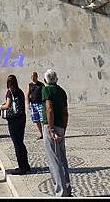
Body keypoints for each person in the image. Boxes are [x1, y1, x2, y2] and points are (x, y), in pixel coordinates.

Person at [41, 69, 71, 197]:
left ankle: (61, 192)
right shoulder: (62, 91)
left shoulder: (46, 90)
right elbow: (65, 112)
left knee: (54, 160)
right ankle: (67, 189)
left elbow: (49, 109)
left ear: (45, 81)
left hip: (50, 126)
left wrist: (51, 129)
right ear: (56, 79)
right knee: (62, 159)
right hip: (60, 127)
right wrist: (63, 129)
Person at [0, 75, 31, 175]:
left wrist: (0, 107)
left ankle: (22, 167)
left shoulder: (10, 92)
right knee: (20, 142)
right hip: (22, 118)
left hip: (14, 120)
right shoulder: (20, 91)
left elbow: (8, 105)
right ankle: (26, 165)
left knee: (17, 143)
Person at [26, 71, 45, 139]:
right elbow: (27, 95)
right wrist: (28, 104)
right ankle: (41, 134)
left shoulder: (41, 84)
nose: (33, 78)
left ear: (37, 76)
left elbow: (44, 94)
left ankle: (46, 133)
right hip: (33, 104)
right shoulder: (30, 85)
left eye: (34, 76)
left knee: (43, 119)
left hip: (40, 104)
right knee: (36, 120)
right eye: (32, 76)